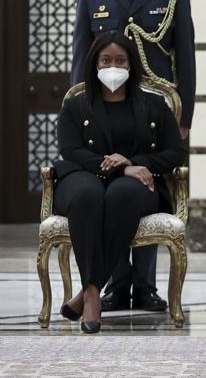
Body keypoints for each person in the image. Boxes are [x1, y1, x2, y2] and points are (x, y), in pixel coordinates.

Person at [71, 0, 196, 313]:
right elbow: (81, 54)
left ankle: (144, 285)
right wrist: (79, 107)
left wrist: (185, 118)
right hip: (105, 106)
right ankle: (115, 284)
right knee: (110, 185)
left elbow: (185, 55)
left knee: (146, 185)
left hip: (154, 109)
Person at [55, 33, 186, 333]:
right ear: (94, 64)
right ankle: (93, 294)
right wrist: (119, 168)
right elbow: (70, 150)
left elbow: (175, 152)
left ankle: (90, 292)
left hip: (137, 184)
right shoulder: (76, 105)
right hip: (82, 176)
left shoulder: (154, 105)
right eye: (106, 60)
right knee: (87, 196)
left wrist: (135, 163)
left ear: (131, 65)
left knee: (121, 194)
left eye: (120, 60)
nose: (112, 66)